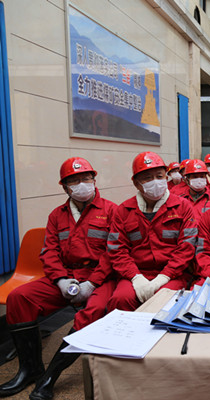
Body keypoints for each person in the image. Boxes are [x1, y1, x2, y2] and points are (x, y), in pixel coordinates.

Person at [0, 157, 117, 399]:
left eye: (86, 178)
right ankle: (30, 369)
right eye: (74, 181)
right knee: (19, 297)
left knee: (93, 311)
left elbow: (113, 253)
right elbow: (49, 252)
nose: (82, 184)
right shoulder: (57, 215)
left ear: (94, 180)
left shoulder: (112, 211)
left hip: (100, 278)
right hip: (66, 276)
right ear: (64, 187)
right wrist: (61, 280)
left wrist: (91, 283)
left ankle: (49, 378)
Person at [106, 151, 196, 312]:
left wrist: (164, 277)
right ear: (136, 183)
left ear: (166, 178)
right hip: (135, 274)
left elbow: (186, 248)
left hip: (172, 274)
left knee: (164, 303)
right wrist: (135, 277)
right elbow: (117, 250)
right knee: (120, 300)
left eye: (159, 176)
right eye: (148, 178)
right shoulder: (123, 211)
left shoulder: (183, 207)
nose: (155, 182)